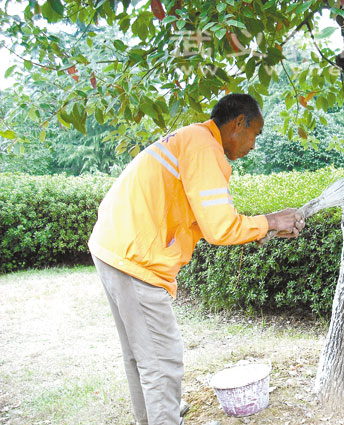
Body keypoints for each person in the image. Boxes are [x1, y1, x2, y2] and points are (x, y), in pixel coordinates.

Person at [88, 93, 305, 425]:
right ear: (239, 123)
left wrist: (264, 228)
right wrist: (272, 221)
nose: (254, 145)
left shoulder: (192, 139)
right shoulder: (204, 147)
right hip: (136, 257)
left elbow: (203, 221)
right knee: (162, 359)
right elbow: (220, 229)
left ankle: (154, 415)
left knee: (140, 354)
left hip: (114, 246)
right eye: (256, 134)